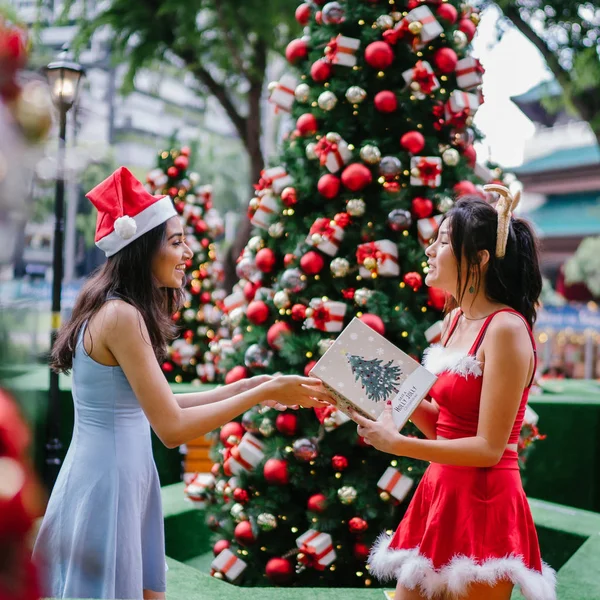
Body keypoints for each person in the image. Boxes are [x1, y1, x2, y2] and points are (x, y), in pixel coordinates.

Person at [32, 168, 332, 600]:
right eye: (175, 242)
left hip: (115, 478)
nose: (188, 251)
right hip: (109, 486)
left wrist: (254, 383)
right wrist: (263, 394)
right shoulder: (122, 316)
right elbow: (171, 429)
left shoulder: (116, 307)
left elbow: (161, 402)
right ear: (141, 249)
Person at [352, 186, 557, 600]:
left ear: (479, 259)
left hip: (485, 503)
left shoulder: (506, 329)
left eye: (443, 241)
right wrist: (386, 395)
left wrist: (397, 443)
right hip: (440, 492)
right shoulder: (455, 320)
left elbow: (488, 449)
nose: (429, 250)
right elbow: (443, 424)